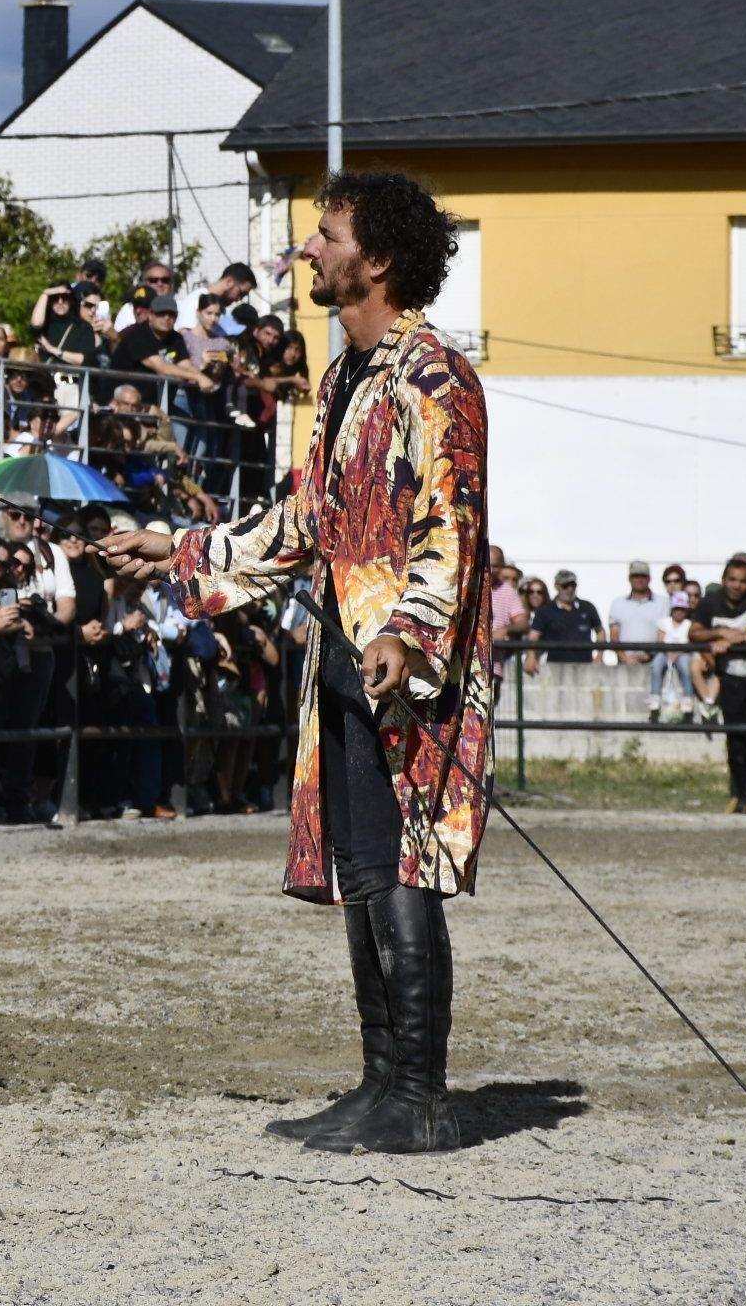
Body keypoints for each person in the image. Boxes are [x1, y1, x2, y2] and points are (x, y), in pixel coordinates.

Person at [105, 168, 490, 1158]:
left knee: (406, 867)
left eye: (326, 234)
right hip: (342, 658)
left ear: (380, 258)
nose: (307, 250)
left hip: (404, 668)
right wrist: (175, 549)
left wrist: (407, 631)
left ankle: (421, 1095)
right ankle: (380, 1083)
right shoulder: (342, 380)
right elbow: (304, 523)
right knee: (364, 868)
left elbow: (448, 526)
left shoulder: (436, 379)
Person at [689, 555, 746, 816]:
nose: (737, 585)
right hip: (730, 682)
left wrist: (737, 639)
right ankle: (738, 795)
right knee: (735, 741)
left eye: (742, 581)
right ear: (724, 580)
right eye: (732, 579)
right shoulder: (710, 603)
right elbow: (694, 633)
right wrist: (720, 633)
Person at [529, 570, 603, 666]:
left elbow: (600, 631)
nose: (570, 589)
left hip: (585, 666)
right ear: (557, 586)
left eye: (573, 585)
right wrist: (531, 657)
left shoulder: (587, 607)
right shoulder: (545, 610)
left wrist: (599, 656)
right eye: (565, 586)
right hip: (555, 667)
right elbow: (534, 636)